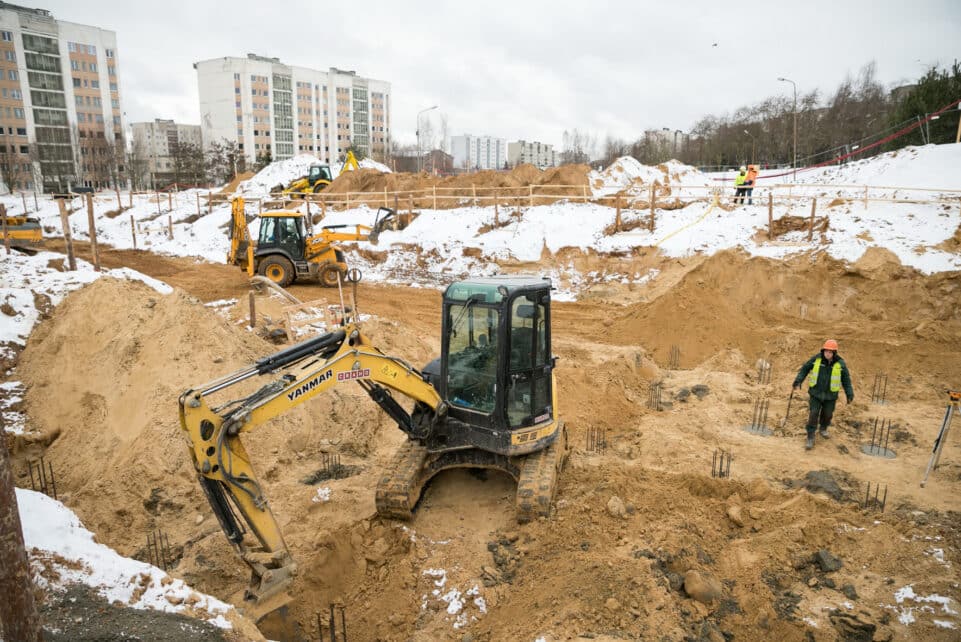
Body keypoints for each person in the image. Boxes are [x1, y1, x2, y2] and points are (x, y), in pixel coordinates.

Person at [793, 339, 854, 450]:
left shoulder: (840, 364)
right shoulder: (816, 359)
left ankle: (823, 428)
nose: (827, 353)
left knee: (827, 414)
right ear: (823, 350)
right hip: (816, 393)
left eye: (830, 352)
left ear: (834, 353)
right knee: (813, 414)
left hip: (830, 396)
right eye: (826, 351)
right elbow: (805, 369)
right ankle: (810, 436)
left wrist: (849, 393)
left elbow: (846, 380)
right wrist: (798, 381)